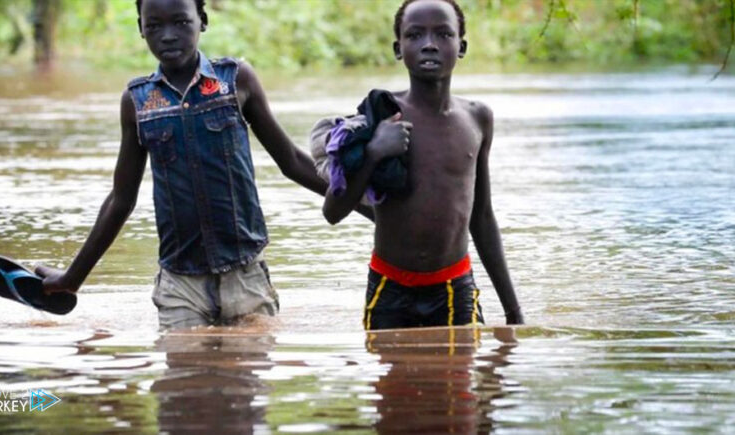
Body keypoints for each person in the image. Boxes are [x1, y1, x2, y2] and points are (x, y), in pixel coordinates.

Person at [34, 0, 369, 330]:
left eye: (180, 22)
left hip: (245, 276)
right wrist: (72, 277)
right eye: (154, 26)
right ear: (140, 29)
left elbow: (292, 161)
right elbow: (122, 199)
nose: (167, 35)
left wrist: (373, 210)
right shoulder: (138, 102)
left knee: (245, 376)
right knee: (183, 377)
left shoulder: (234, 81)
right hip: (180, 284)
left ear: (202, 21)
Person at [321, 0, 524, 329]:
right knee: (393, 379)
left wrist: (513, 310)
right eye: (415, 35)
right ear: (398, 48)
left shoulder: (477, 119)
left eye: (444, 34)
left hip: (454, 287)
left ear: (462, 46)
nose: (429, 44)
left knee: (461, 378)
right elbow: (333, 211)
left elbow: (482, 217)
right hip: (389, 289)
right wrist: (373, 151)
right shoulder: (378, 116)